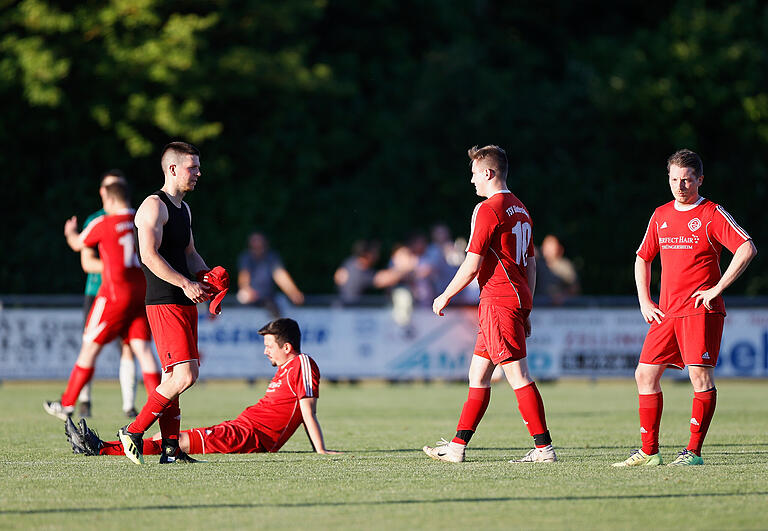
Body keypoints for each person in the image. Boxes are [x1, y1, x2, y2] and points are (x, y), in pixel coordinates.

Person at [613, 149, 756, 467]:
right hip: (666, 311)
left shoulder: (711, 213)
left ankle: (693, 453)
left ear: (699, 180)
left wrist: (717, 288)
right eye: (674, 179)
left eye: (687, 180)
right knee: (644, 375)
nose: (680, 186)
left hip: (700, 310)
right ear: (668, 179)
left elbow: (747, 247)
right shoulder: (661, 214)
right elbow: (642, 257)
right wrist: (644, 300)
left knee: (700, 378)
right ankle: (649, 452)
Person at [423, 145, 555, 464]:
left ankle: (543, 448)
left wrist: (444, 295)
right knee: (478, 375)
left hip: (498, 300)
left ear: (488, 173)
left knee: (518, 376)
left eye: (473, 174)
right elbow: (532, 265)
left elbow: (471, 264)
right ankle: (456, 447)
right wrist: (527, 306)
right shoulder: (521, 208)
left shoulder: (488, 209)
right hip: (513, 298)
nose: (471, 181)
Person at [64, 318, 340, 457]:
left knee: (179, 442)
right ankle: (103, 447)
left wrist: (321, 451)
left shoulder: (302, 363)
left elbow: (307, 411)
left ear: (287, 347)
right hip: (242, 429)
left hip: (249, 437)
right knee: (178, 441)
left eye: (269, 346)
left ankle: (102, 448)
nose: (266, 352)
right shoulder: (285, 369)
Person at [119, 141, 228, 465]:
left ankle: (170, 450)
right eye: (192, 167)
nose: (198, 172)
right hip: (164, 300)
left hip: (184, 299)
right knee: (185, 375)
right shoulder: (154, 206)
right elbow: (148, 256)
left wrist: (207, 277)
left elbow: (189, 253)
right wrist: (184, 282)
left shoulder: (184, 209)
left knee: (174, 376)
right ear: (173, 169)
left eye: (198, 166)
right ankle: (134, 431)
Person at [44, 181, 162, 420]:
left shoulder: (105, 222)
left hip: (114, 295)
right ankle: (160, 406)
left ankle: (67, 404)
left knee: (89, 346)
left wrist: (69, 232)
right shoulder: (143, 219)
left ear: (109, 199)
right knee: (142, 349)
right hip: (142, 292)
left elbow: (78, 243)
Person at [68, 170, 145, 418]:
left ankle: (129, 405)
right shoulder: (98, 219)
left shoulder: (135, 218)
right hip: (98, 291)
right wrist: (117, 266)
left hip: (126, 293)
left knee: (131, 347)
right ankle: (84, 400)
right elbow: (87, 263)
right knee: (90, 345)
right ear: (103, 191)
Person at [236, 232, 304, 318]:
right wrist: (246, 289)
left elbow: (280, 275)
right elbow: (244, 275)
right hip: (251, 297)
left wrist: (293, 292)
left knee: (276, 310)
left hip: (268, 298)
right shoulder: (246, 258)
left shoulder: (271, 257)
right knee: (243, 298)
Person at [536, 234, 580, 305]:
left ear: (559, 248)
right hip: (540, 305)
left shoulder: (565, 266)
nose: (548, 249)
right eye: (546, 245)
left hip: (559, 309)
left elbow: (574, 287)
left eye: (551, 246)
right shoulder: (538, 265)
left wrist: (562, 296)